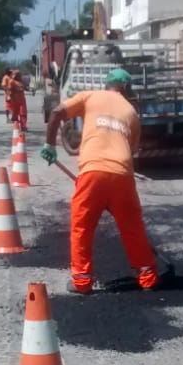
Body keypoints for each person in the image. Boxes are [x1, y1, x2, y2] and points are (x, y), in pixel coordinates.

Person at [40, 67, 158, 295]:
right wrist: (112, 197)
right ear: (126, 89)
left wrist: (49, 145)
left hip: (92, 172)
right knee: (132, 227)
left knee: (82, 227)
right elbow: (131, 150)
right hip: (122, 173)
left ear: (107, 84)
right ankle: (148, 278)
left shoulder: (90, 96)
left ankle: (82, 282)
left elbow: (56, 113)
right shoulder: (131, 112)